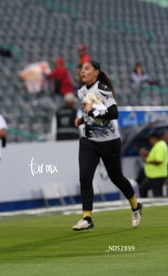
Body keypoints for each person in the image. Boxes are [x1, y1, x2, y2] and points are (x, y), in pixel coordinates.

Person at [72, 60, 142, 231]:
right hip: (89, 139)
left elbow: (113, 113)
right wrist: (83, 119)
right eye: (82, 68)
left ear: (96, 72)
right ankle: (87, 218)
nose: (83, 71)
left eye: (87, 68)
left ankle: (135, 205)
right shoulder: (81, 91)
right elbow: (90, 114)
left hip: (109, 141)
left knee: (116, 177)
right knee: (85, 177)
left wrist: (91, 112)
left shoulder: (102, 88)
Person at [138, 130, 168, 197]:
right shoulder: (158, 145)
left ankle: (160, 205)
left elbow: (159, 161)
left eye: (150, 139)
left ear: (154, 138)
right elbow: (155, 157)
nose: (149, 141)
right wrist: (147, 153)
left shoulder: (160, 146)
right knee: (142, 188)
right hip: (154, 175)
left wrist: (147, 160)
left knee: (157, 194)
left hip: (157, 175)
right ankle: (147, 204)